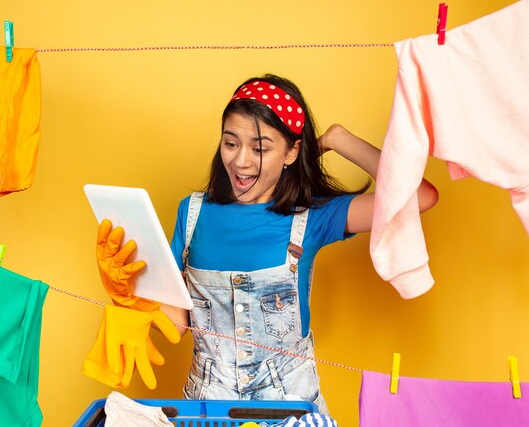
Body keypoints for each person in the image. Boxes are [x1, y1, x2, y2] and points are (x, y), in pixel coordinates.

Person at [99, 73, 438, 414]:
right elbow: (178, 322)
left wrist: (338, 139)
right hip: (207, 406)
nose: (241, 161)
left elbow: (420, 196)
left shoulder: (312, 217)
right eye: (231, 143)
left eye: (260, 148)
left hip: (290, 409)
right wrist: (128, 295)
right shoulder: (192, 214)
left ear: (292, 152)